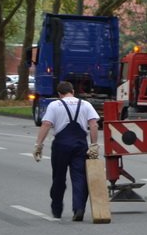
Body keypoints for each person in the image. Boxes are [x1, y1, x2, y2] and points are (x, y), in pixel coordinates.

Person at [33, 81, 100, 221]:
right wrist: (94, 144)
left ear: (59, 94)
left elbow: (46, 124)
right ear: (73, 91)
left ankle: (57, 209)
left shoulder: (54, 105)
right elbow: (93, 124)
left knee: (59, 178)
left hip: (61, 145)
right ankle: (79, 208)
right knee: (79, 177)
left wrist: (38, 145)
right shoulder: (85, 104)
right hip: (80, 145)